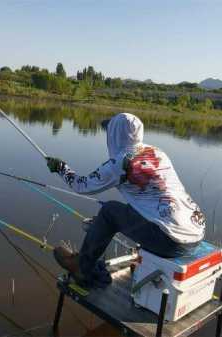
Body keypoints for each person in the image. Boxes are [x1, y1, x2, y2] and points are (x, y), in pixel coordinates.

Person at [46, 113, 206, 286]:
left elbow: (82, 186)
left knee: (109, 211)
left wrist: (61, 168)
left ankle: (81, 267)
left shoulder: (118, 164)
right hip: (196, 236)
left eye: (109, 131)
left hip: (170, 242)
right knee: (120, 213)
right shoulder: (158, 153)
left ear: (114, 135)